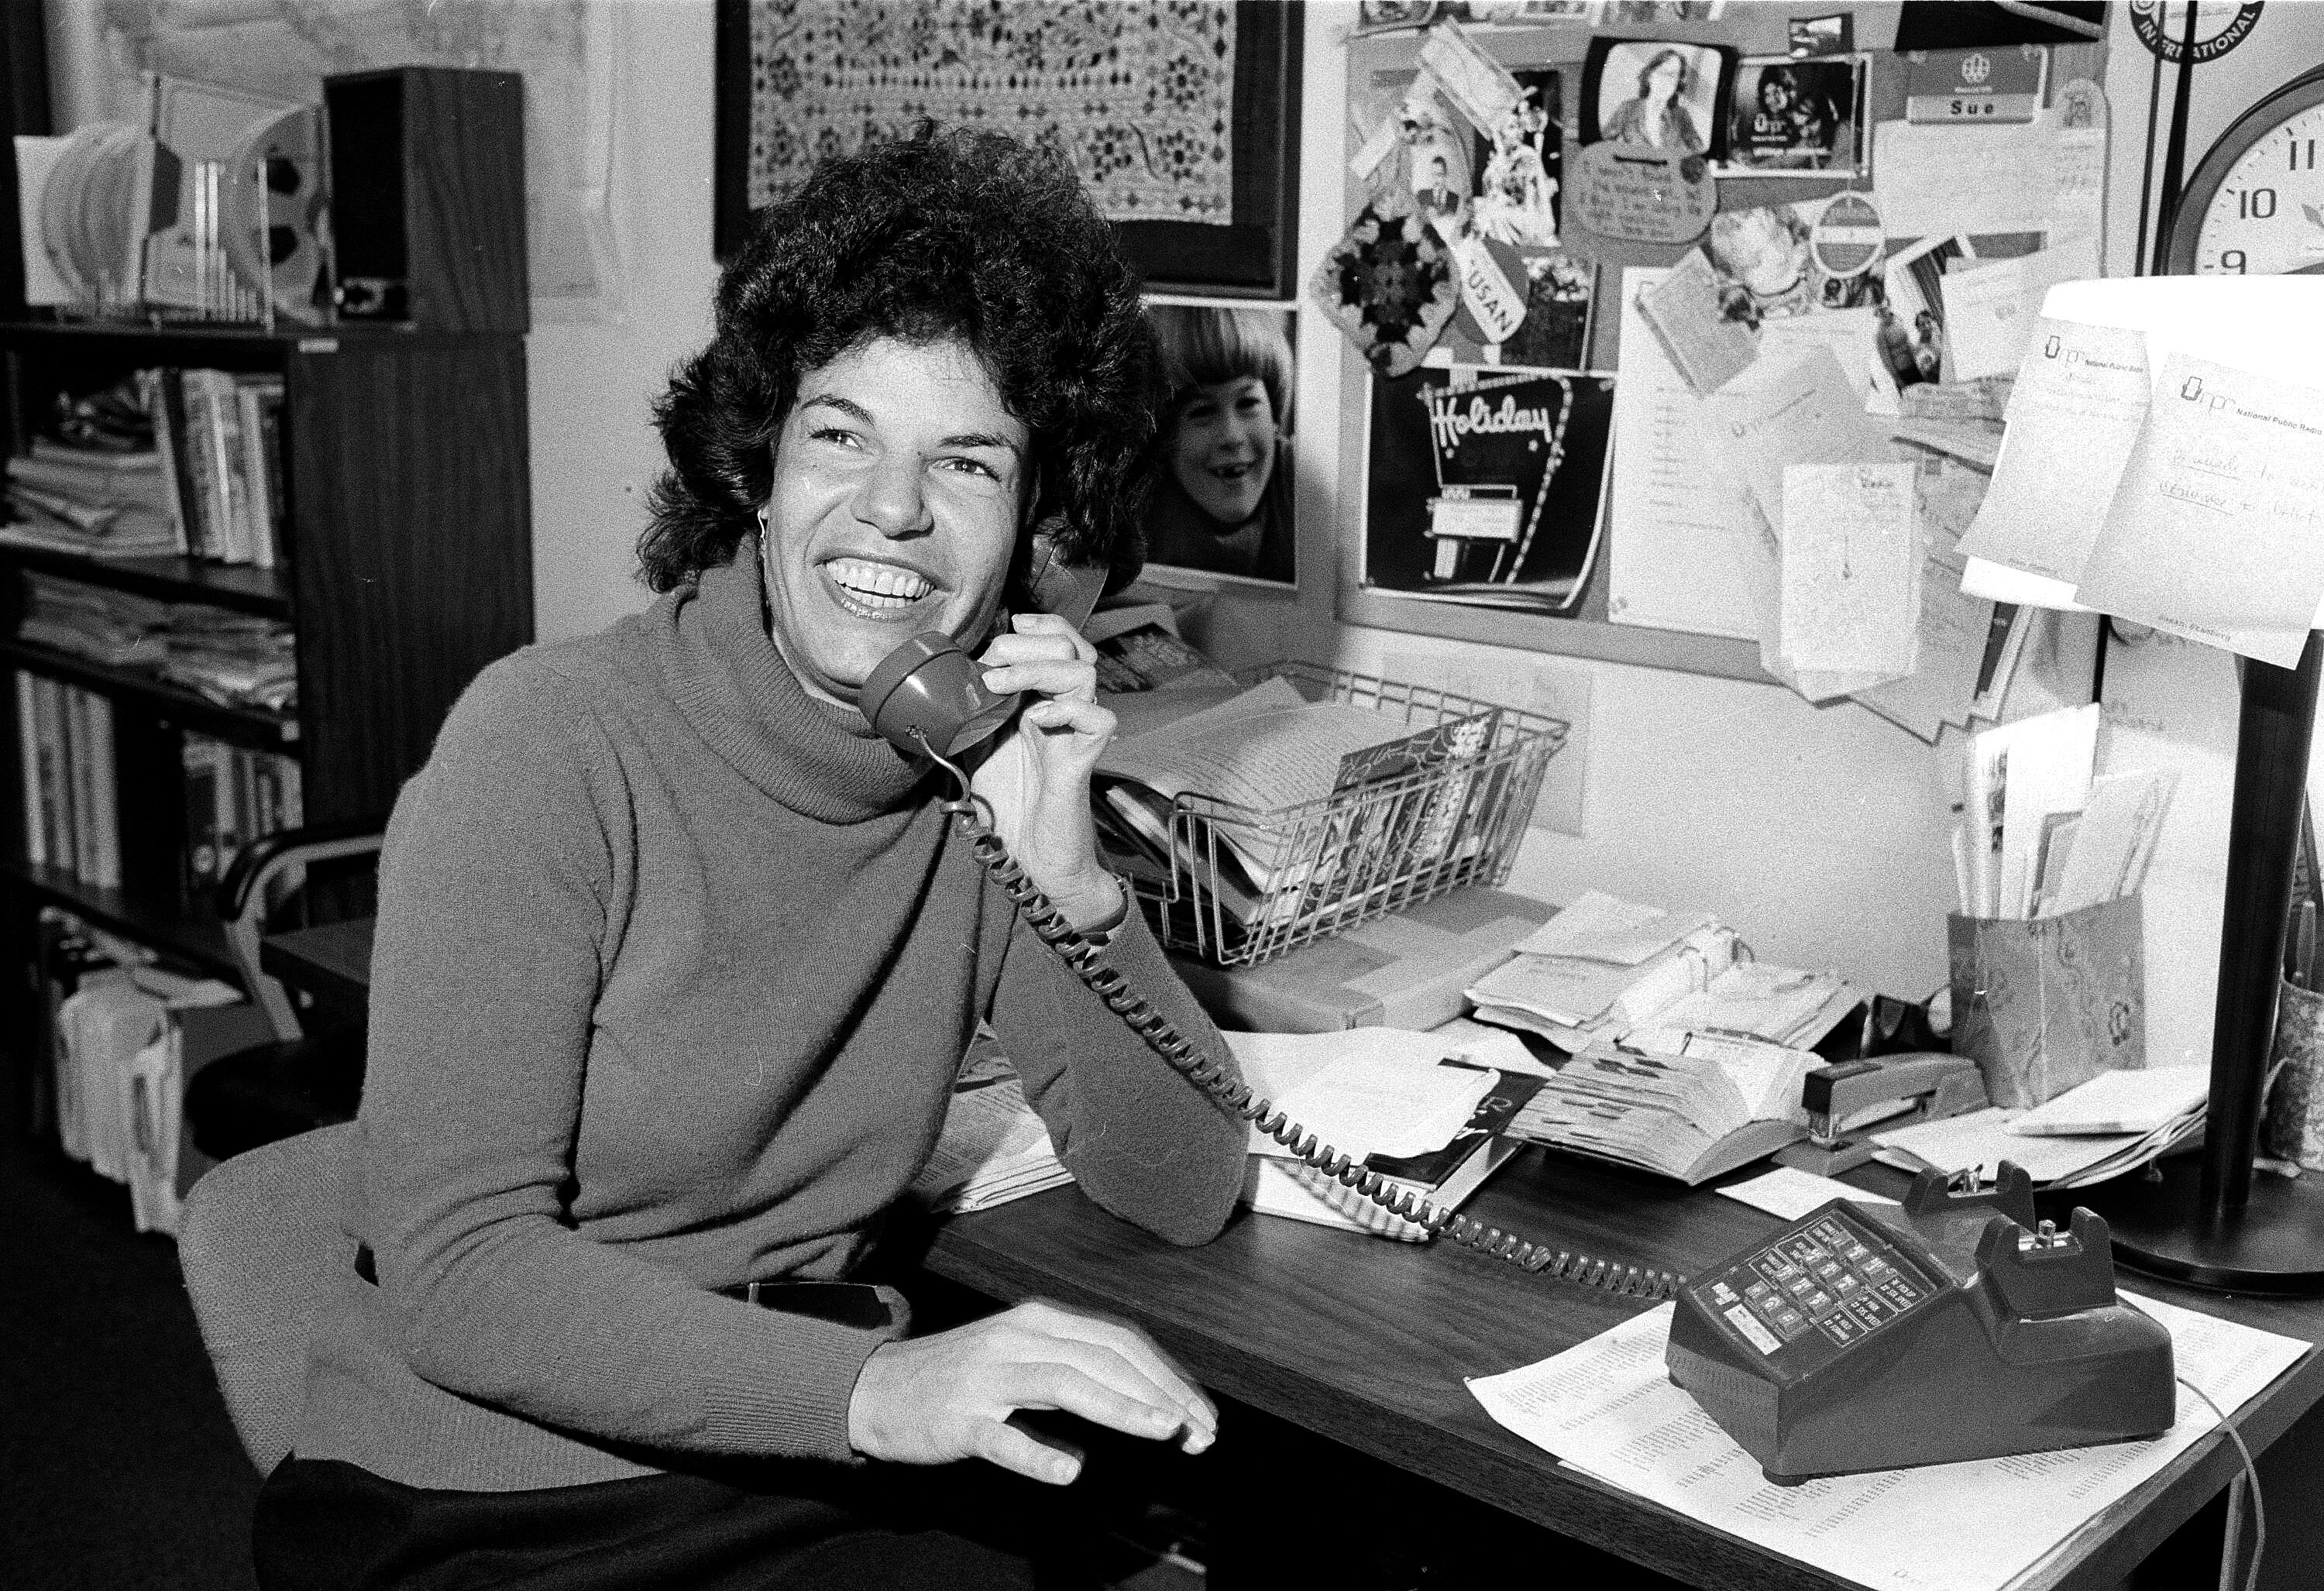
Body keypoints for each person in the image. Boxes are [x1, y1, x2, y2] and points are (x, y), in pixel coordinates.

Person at [249, 126, 1251, 1590]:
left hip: (789, 1451)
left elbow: (1181, 1182)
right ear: (760, 471)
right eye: (841, 435)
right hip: (487, 1487)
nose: (894, 508)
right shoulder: (548, 742)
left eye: (967, 460)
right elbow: (458, 1270)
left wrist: (1076, 889)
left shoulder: (977, 778)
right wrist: (874, 1391)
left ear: (1037, 532)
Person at [1142, 306, 1296, 583]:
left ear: (1274, 415)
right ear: (1163, 436)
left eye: (1247, 403)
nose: (1232, 437)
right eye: (1202, 412)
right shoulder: (1140, 503)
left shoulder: (1297, 485)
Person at [1601, 47, 1703, 153]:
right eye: (1663, 73)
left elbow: (1700, 152)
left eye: (1673, 76)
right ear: (1650, 76)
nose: (1667, 81)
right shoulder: (1628, 109)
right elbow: (1600, 147)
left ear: (1678, 83)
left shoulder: (1681, 115)